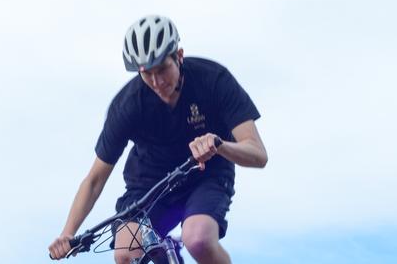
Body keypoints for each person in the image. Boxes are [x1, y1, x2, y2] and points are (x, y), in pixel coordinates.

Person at [48, 15, 267, 264]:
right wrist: (68, 234)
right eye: (146, 73)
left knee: (198, 239)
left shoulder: (213, 80)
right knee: (125, 254)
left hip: (206, 175)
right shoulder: (129, 105)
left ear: (179, 55)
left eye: (162, 69)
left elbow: (258, 154)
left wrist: (219, 144)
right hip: (149, 185)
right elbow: (95, 179)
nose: (156, 82)